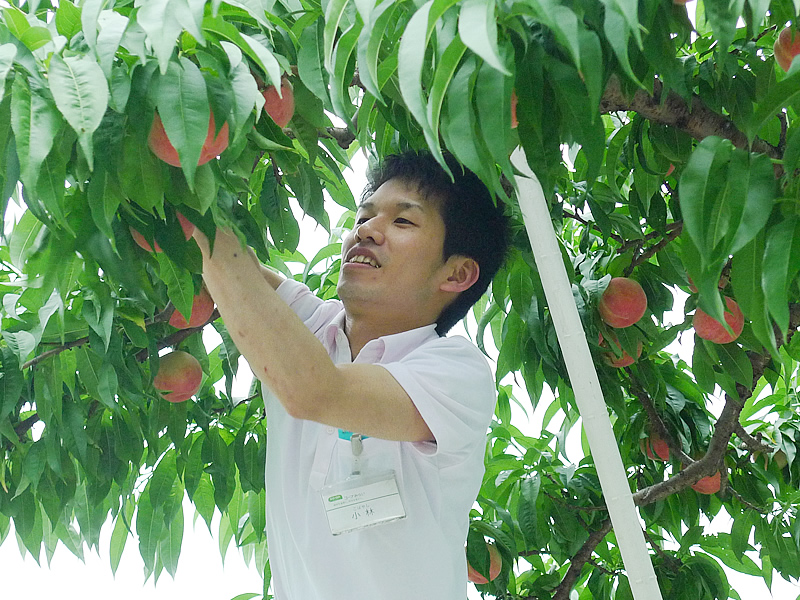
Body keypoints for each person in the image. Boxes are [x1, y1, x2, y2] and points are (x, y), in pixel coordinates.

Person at [194, 150, 511, 599]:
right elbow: (213, 253)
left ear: (457, 273)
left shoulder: (455, 372)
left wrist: (197, 207)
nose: (366, 231)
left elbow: (316, 391)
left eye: (403, 222)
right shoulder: (312, 326)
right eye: (364, 215)